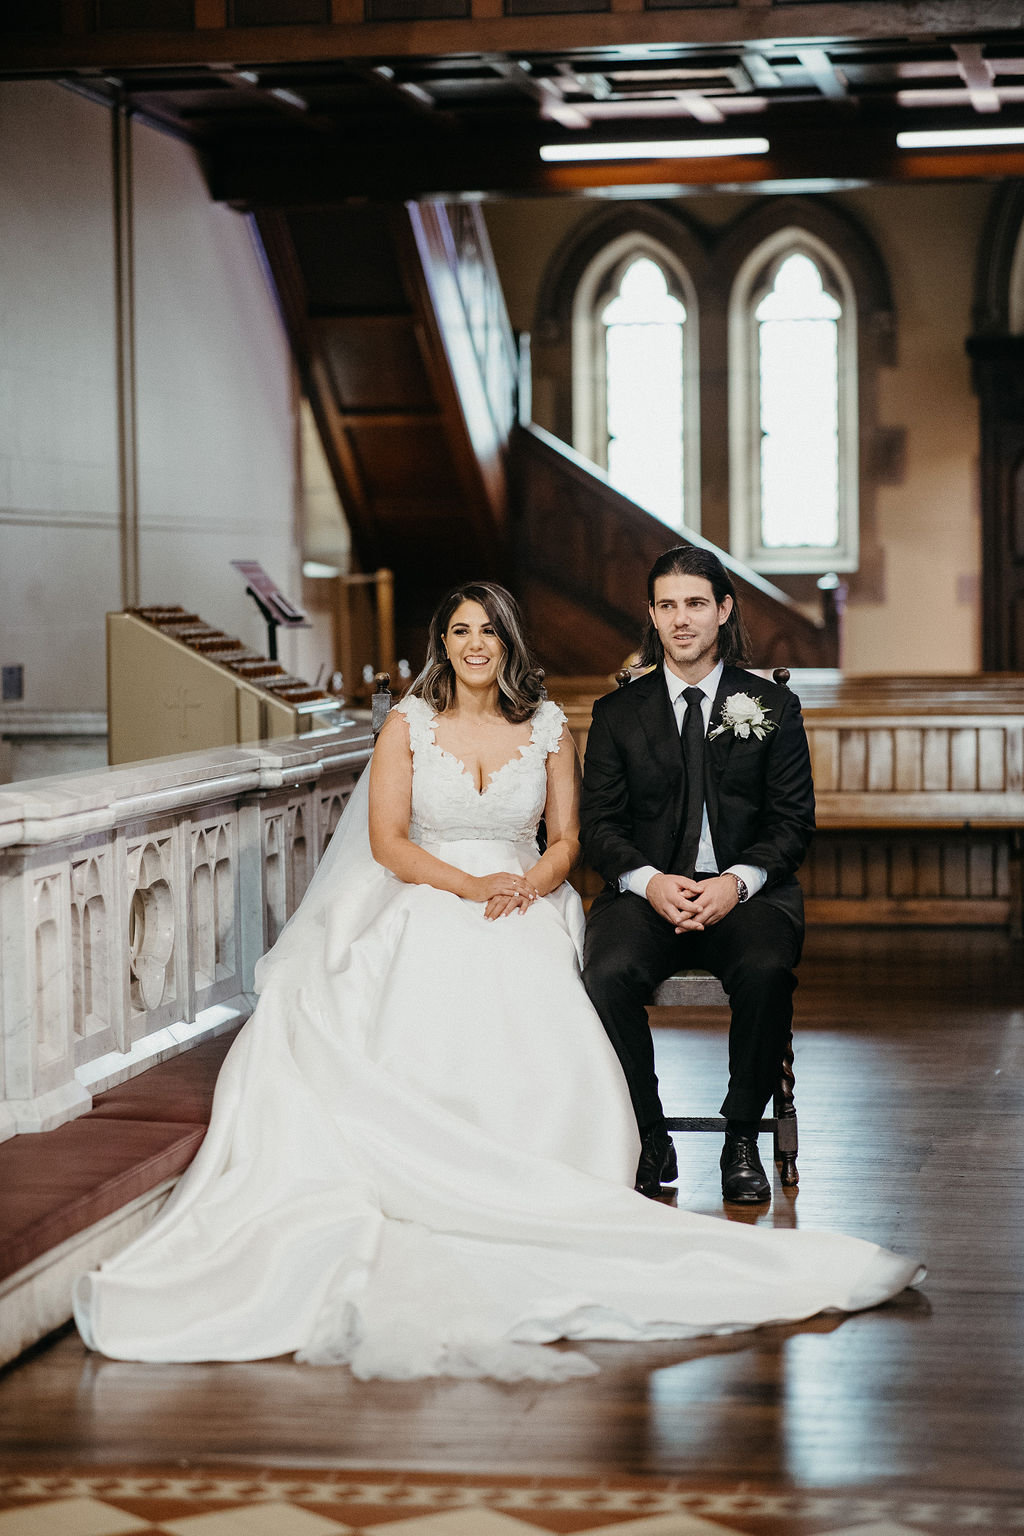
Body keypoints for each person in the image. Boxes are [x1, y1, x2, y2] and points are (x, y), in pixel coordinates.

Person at [73, 580, 920, 1382]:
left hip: (528, 895)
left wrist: (534, 883)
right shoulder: (408, 723)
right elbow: (390, 843)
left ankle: (579, 1148)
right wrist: (471, 885)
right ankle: (443, 1148)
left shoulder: (549, 725)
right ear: (442, 645)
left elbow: (567, 838)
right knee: (417, 967)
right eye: (459, 631)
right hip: (430, 891)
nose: (474, 644)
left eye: (488, 630)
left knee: (541, 974)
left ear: (510, 642)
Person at [581, 546, 815, 1206]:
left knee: (767, 967)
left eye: (695, 603)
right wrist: (648, 881)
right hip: (646, 891)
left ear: (723, 610)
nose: (681, 619)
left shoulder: (770, 705)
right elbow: (600, 827)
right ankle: (650, 1134)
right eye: (667, 605)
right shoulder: (616, 715)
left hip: (744, 893)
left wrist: (735, 882)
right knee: (604, 972)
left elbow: (793, 822)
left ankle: (742, 1135)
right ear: (652, 616)